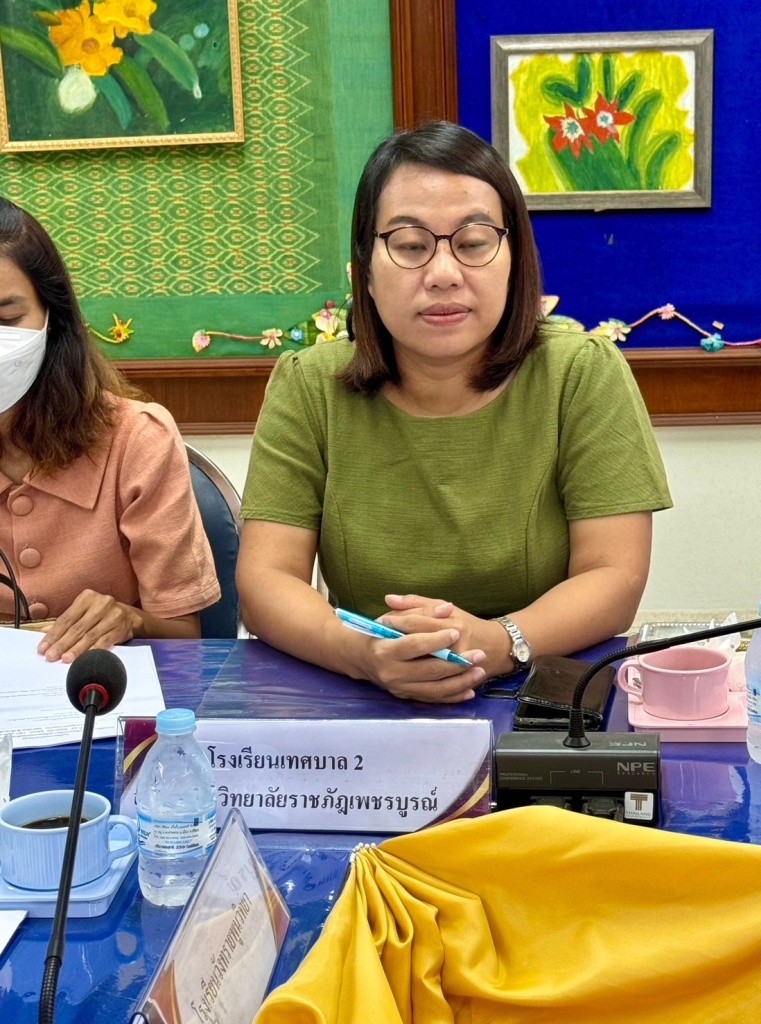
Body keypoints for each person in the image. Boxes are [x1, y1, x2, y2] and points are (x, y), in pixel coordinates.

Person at [236, 121, 672, 703]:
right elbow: (265, 580)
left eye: (472, 243)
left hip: (541, 685)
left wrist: (498, 641)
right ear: (364, 271)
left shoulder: (581, 372)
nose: (443, 274)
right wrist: (362, 655)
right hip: (361, 686)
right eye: (411, 245)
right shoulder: (308, 384)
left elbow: (613, 575)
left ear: (514, 258)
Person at [0, 197, 221, 662]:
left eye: (7, 319)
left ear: (52, 316)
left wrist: (131, 620)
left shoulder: (137, 439)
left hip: (106, 696)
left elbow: (185, 635)